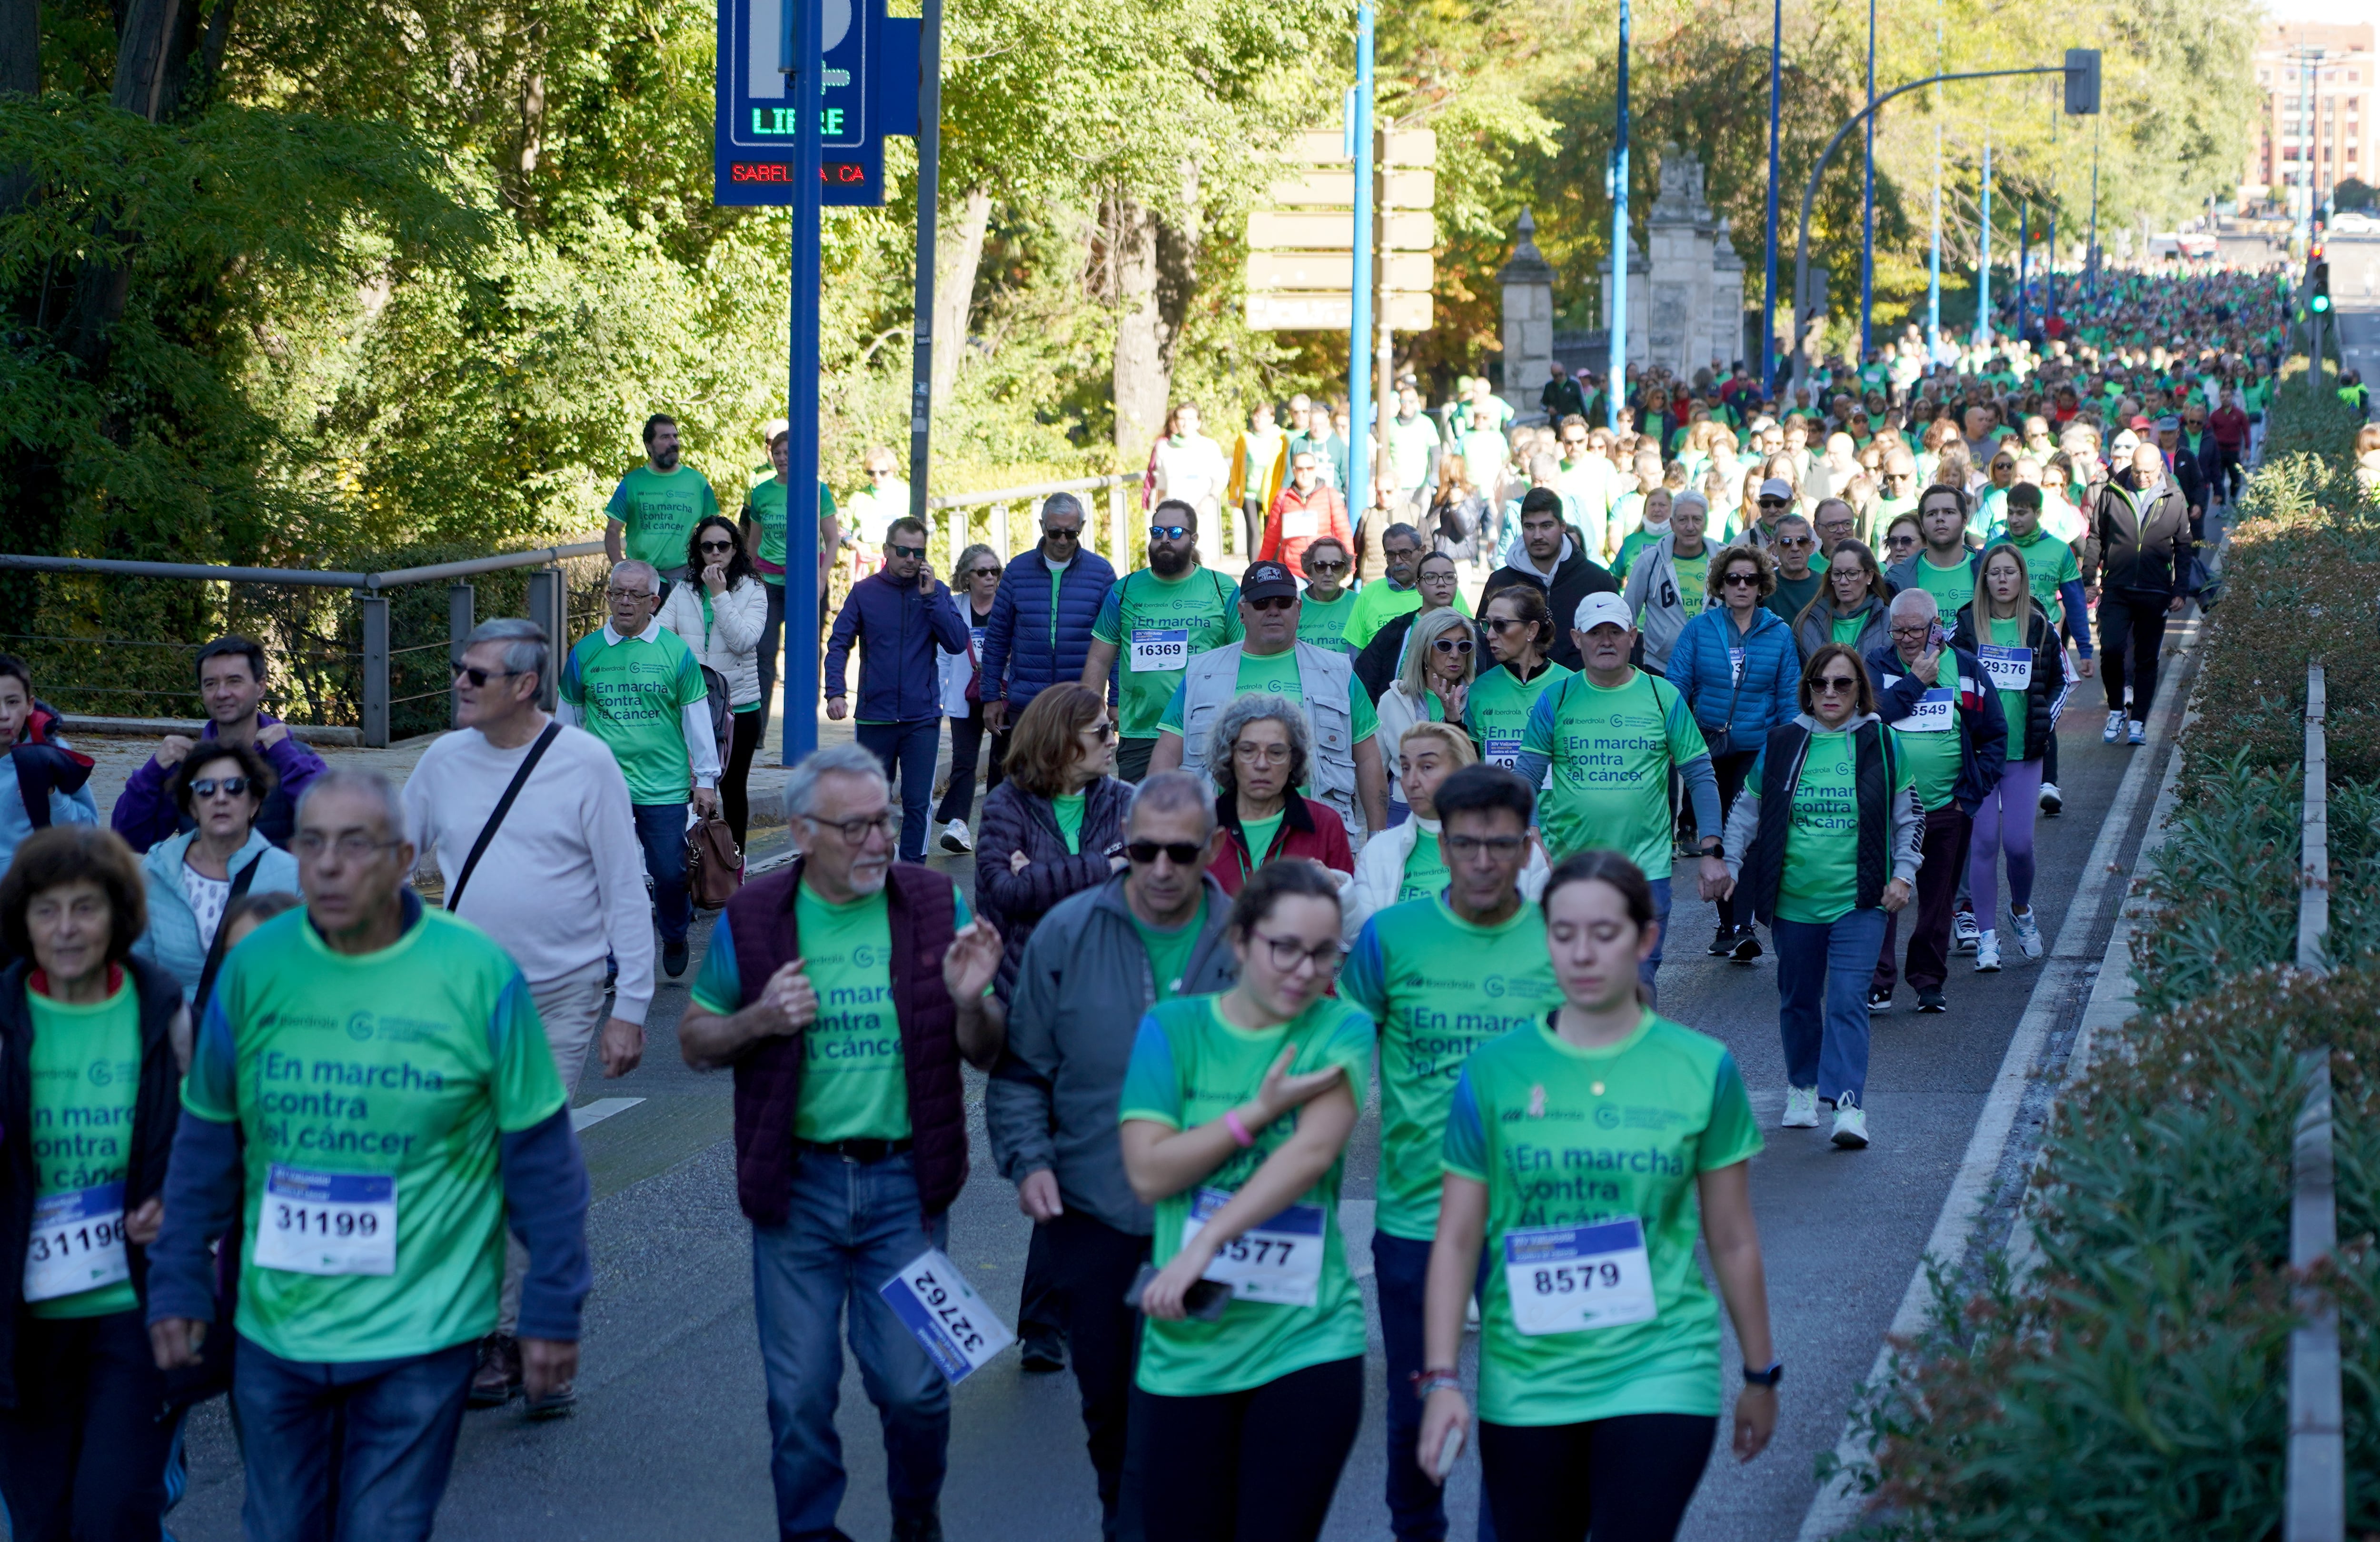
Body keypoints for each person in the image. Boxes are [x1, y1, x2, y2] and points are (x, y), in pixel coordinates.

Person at [146, 770, 593, 1538]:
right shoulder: (255, 967)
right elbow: (207, 1138)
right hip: (277, 1327)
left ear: (404, 857)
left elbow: (542, 1160)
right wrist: (181, 1275)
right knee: (283, 1526)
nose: (326, 864)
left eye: (355, 845)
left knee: (381, 1526)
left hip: (420, 1330)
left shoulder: (477, 975)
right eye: (311, 843)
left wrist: (552, 1305)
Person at [677, 744, 1006, 1542]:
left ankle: (914, 1517)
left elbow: (989, 1046)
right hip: (798, 1191)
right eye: (855, 825)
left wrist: (972, 1003)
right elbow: (695, 1038)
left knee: (917, 1388)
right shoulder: (755, 917)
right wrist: (759, 1019)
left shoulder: (935, 904)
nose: (878, 840)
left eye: (888, 820)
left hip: (907, 1187)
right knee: (800, 1396)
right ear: (802, 829)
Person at [1416, 850, 1779, 1539]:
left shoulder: (1703, 1068)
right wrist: (1440, 1380)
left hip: (1661, 1366)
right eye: (1563, 933)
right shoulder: (1493, 1072)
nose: (1582, 953)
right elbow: (1458, 1236)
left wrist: (1761, 1372)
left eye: (1605, 933)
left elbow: (1732, 1236)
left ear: (1645, 938)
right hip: (1528, 1375)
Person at [405, 617, 652, 1406]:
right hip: (457, 1000)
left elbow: (624, 884)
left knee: (521, 1163)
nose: (460, 683)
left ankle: (515, 1333)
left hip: (558, 995)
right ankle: (487, 1323)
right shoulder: (442, 760)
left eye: (476, 674)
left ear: (525, 685)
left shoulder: (585, 762)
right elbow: (390, 854)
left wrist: (632, 1006)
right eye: (458, 668)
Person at [987, 772, 1238, 1541]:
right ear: (1120, 846)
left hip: (1218, 1212)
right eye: (1142, 851)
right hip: (1096, 1206)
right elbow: (1023, 1067)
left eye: (1180, 852)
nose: (1160, 868)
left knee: (1200, 1407)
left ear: (1214, 847)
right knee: (1110, 1402)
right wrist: (1030, 1159)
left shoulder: (1250, 940)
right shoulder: (1066, 931)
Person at [1117, 862, 1372, 1542]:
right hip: (1188, 1345)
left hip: (1306, 1339)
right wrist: (1255, 1111)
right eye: (1284, 946)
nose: (1304, 968)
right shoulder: (1172, 1029)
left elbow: (1310, 1154)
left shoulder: (1340, 1026)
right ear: (1240, 941)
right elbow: (1148, 1171)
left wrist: (1206, 1241)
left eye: (1323, 952)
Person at [1342, 764, 1564, 1542]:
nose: (1479, 860)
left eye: (1498, 844)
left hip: (1534, 1215)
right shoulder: (1389, 936)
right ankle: (1419, 1529)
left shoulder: (1562, 938)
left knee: (1523, 1405)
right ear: (1442, 836)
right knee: (1413, 1403)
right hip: (1416, 1208)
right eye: (1462, 842)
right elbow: (1338, 1054)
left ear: (1527, 845)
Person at [0, 826, 191, 1542]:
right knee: (42, 1521)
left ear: (118, 915)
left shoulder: (161, 1009)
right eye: (47, 909)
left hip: (133, 1307)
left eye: (86, 907)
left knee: (112, 1512)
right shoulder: (5, 1016)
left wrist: (178, 1200)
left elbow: (210, 1139)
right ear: (22, 918)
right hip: (23, 1317)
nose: (67, 927)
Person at [1721, 646, 1922, 1148]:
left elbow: (1909, 817)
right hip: (1793, 901)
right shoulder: (1782, 741)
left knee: (1849, 999)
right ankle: (1802, 1088)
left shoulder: (1882, 740)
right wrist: (1726, 863)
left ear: (1859, 690)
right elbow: (1746, 811)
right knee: (1798, 1001)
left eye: (1841, 683)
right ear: (1807, 690)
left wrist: (1903, 875)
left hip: (1861, 899)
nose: (1829, 692)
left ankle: (1849, 1104)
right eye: (1819, 683)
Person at [1516, 592, 1726, 1004]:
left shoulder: (1662, 696)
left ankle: (1627, 1066)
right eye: (1596, 633)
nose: (1606, 641)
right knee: (1568, 988)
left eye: (1616, 631)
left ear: (1634, 636)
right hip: (1569, 869)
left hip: (1644, 873)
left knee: (1636, 987)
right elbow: (1526, 776)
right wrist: (1531, 832)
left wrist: (1711, 848)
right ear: (1577, 639)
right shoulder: (1556, 698)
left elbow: (1701, 775)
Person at [560, 561, 721, 979]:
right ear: (609, 597)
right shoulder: (584, 652)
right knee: (607, 876)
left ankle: (673, 930)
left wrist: (706, 780)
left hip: (663, 786)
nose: (625, 601)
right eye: (617, 593)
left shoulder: (675, 652)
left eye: (635, 594)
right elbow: (568, 721)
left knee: (669, 873)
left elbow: (697, 720)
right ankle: (611, 961)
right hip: (603, 788)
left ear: (654, 601)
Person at [1151, 561, 1388, 838]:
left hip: (1316, 838)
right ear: (1241, 612)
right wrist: (1161, 829)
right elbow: (1167, 754)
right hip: (1220, 840)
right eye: (1262, 603)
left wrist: (1378, 838)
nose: (1274, 611)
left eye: (1284, 602)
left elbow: (1369, 758)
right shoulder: (1201, 672)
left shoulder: (1338, 672)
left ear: (1299, 609)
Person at [1864, 589, 2005, 1015]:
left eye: (1915, 630)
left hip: (1947, 808)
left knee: (1938, 901)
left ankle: (1928, 981)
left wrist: (1970, 796)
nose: (1906, 639)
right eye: (1899, 630)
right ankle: (1879, 981)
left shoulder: (1965, 668)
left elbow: (1994, 734)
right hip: (1888, 810)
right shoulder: (1878, 664)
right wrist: (1915, 681)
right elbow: (1872, 716)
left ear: (1936, 627)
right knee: (1882, 898)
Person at [1669, 544, 1801, 960]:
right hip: (1706, 748)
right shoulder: (1699, 629)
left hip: (1756, 749)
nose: (1742, 586)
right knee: (1719, 836)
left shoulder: (1779, 633)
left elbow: (1789, 702)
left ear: (1762, 586)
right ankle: (1728, 923)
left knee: (1747, 834)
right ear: (1720, 585)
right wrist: (1681, 745)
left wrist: (1780, 755)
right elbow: (1676, 690)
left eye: (1750, 579)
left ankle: (1744, 924)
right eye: (1733, 579)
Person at [824, 518, 971, 863]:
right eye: (903, 551)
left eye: (918, 552)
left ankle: (913, 873)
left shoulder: (936, 593)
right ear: (888, 550)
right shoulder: (865, 592)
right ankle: (875, 863)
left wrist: (932, 598)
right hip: (875, 717)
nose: (911, 558)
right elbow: (839, 643)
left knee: (918, 802)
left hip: (922, 718)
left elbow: (956, 642)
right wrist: (835, 692)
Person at [976, 683, 1131, 997]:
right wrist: (1106, 866)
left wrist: (1036, 877)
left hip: (1109, 987)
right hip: (1027, 988)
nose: (1113, 741)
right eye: (1101, 731)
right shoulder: (1005, 805)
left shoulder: (1127, 801)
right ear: (1059, 739)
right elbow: (1007, 894)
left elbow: (1139, 893)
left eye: (1112, 729)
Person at [111, 636, 321, 852]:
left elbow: (331, 819)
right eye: (211, 684)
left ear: (260, 687)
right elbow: (128, 838)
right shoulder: (186, 765)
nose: (222, 693)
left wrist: (285, 755)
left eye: (234, 681)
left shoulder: (294, 757)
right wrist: (153, 771)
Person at [1954, 545, 2061, 973]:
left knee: (2018, 845)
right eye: (1994, 573)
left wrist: (2044, 721)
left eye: (2009, 572)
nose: (2001, 580)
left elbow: (2061, 682)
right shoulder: (1965, 627)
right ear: (1984, 581)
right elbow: (1949, 682)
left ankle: (2021, 911)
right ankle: (1985, 937)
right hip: (1981, 756)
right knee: (1982, 843)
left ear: (2021, 579)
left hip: (2024, 754)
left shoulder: (2038, 627)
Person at [130, 740, 299, 1004]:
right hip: (178, 1033)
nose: (220, 798)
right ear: (193, 807)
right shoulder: (156, 871)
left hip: (259, 1032)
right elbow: (137, 973)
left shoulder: (292, 875)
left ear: (254, 803)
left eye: (234, 787)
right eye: (206, 789)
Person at [1083, 501, 1240, 783]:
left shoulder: (1223, 588)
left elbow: (1244, 658)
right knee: (1140, 820)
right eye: (1157, 532)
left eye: (1175, 532)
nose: (1165, 539)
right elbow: (1099, 659)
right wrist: (1089, 720)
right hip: (1141, 733)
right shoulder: (1125, 590)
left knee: (1207, 822)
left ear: (1194, 539)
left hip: (1207, 729)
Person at [659, 515, 769, 850]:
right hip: (692, 707)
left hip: (740, 707)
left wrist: (720, 595)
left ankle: (734, 867)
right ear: (699, 552)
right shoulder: (684, 590)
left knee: (734, 789)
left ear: (736, 549)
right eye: (708, 547)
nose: (716, 553)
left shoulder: (753, 590)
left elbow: (743, 641)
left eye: (723, 546)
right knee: (692, 790)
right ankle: (697, 865)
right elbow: (662, 638)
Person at [982, 493, 1119, 742]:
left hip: (1079, 704)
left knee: (1076, 777)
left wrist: (1117, 700)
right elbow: (997, 639)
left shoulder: (1102, 574)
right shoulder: (1017, 571)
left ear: (1082, 529)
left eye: (1071, 533)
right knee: (1028, 780)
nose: (1063, 540)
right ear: (1042, 526)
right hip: (1027, 704)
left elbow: (1116, 645)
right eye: (1055, 533)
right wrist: (991, 697)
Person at [2083, 440, 2192, 747]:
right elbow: (2096, 537)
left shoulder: (2174, 497)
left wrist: (2180, 588)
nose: (2142, 477)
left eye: (2148, 471)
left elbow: (2184, 546)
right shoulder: (2112, 492)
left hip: (2155, 589)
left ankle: (2138, 722)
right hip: (2117, 587)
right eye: (2137, 470)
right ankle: (2117, 709)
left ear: (2160, 467)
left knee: (2146, 660)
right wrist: (2089, 576)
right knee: (2112, 650)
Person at [1991, 483, 2091, 815]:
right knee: (2004, 710)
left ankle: (2049, 783)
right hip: (1998, 643)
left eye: (2023, 512)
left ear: (2038, 513)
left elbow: (2075, 601)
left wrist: (2086, 650)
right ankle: (2003, 781)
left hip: (2043, 642)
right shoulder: (1993, 549)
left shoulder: (2060, 550)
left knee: (2040, 707)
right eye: (2011, 511)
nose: (2015, 519)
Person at [1201, 695, 1354, 894]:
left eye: (1276, 753)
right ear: (1229, 757)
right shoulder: (1200, 822)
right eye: (1248, 751)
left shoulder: (1325, 824)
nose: (1262, 764)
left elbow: (1347, 914)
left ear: (1294, 760)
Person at [743, 426, 841, 719]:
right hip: (769, 582)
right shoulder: (760, 493)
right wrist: (750, 578)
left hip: (806, 582)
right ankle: (757, 728)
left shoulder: (817, 490)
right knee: (763, 651)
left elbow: (833, 538)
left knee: (807, 651)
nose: (783, 458)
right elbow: (753, 541)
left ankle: (805, 718)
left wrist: (822, 576)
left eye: (788, 453)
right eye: (777, 453)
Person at [1484, 488, 1619, 672]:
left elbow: (1619, 642)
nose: (1538, 535)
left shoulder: (1597, 580)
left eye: (1546, 526)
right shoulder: (1501, 583)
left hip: (1581, 690)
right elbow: (1484, 642)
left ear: (1563, 526)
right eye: (1530, 527)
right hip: (1514, 692)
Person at [933, 543, 1005, 854]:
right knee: (964, 760)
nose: (990, 577)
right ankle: (959, 825)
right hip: (966, 693)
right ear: (967, 576)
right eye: (982, 571)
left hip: (1003, 696)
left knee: (1002, 762)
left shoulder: (1008, 605)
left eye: (995, 571)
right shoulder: (954, 606)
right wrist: (935, 696)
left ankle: (998, 826)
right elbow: (942, 655)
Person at [1376, 608, 1477, 823]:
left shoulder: (1479, 699)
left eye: (1464, 646)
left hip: (1460, 811)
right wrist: (1376, 828)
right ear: (1424, 650)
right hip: (1404, 810)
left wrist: (1453, 718)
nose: (1455, 654)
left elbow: (1473, 771)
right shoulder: (1392, 700)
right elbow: (1376, 773)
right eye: (1444, 645)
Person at [1466, 579, 1573, 776]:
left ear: (1532, 630)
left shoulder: (1569, 686)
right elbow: (1470, 764)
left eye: (1500, 625)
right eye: (1487, 624)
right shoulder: (1480, 688)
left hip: (1555, 808)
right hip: (1497, 806)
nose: (1489, 635)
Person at [604, 413, 719, 585]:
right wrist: (620, 570)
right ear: (649, 445)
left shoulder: (698, 482)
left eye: (675, 437)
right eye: (665, 437)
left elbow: (715, 528)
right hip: (641, 578)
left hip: (685, 576)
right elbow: (613, 531)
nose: (673, 443)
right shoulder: (632, 483)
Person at [1620, 489, 1718, 679]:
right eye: (1683, 520)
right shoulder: (1649, 562)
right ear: (1672, 524)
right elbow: (1628, 611)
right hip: (1662, 666)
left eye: (1697, 519)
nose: (1690, 527)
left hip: (1714, 665)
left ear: (1705, 522)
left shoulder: (1723, 559)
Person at [1353, 551, 1470, 704]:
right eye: (1431, 577)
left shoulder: (1473, 632)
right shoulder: (1396, 630)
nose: (1441, 583)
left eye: (1449, 577)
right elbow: (1365, 677)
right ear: (1418, 587)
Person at [1883, 486, 1982, 624]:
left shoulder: (1988, 568)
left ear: (1965, 520)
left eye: (1949, 512)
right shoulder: (1897, 579)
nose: (1940, 518)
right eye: (1932, 514)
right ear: (1922, 525)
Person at [1148, 405, 1231, 565]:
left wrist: (1209, 499)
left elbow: (1222, 478)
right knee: (1173, 559)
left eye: (1191, 419)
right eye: (1182, 419)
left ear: (1198, 423)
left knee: (1202, 559)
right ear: (1175, 422)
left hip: (1200, 513)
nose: (1186, 423)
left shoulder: (1209, 447)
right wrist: (1158, 512)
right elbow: (1161, 484)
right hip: (1172, 518)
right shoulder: (1164, 448)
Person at [1260, 447, 1354, 581]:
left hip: (1323, 570)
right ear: (1293, 471)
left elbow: (1344, 533)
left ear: (1315, 470)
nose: (1305, 473)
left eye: (1309, 468)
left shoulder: (1330, 495)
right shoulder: (1283, 497)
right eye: (1300, 469)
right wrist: (1258, 570)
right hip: (1291, 573)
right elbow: (1270, 539)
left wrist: (1350, 569)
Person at [1795, 539, 1893, 661]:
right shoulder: (1808, 622)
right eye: (1837, 574)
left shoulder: (1889, 621)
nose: (1843, 582)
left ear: (1869, 576)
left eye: (1852, 574)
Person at [1343, 523, 1428, 652]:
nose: (1398, 561)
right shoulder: (1369, 594)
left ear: (1422, 551)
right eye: (1391, 555)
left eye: (1405, 553)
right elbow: (1354, 653)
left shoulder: (1440, 590)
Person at [1228, 403, 1289, 560]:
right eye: (1256, 415)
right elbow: (1236, 467)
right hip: (1249, 492)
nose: (1258, 419)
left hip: (1272, 493)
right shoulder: (1245, 438)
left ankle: (1273, 568)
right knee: (1254, 531)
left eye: (1262, 416)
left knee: (1273, 532)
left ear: (1272, 419)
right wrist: (1234, 494)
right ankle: (1254, 570)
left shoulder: (1281, 438)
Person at [1294, 536, 1360, 654]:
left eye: (1336, 566)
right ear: (1309, 569)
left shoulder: (1359, 603)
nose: (1329, 573)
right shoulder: (1293, 605)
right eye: (1321, 566)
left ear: (1345, 570)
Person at [1762, 513, 1824, 626]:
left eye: (1802, 541)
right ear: (1775, 549)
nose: (1795, 548)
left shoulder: (1825, 585)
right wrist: (1758, 566)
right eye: (1786, 542)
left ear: (1811, 547)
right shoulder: (1763, 585)